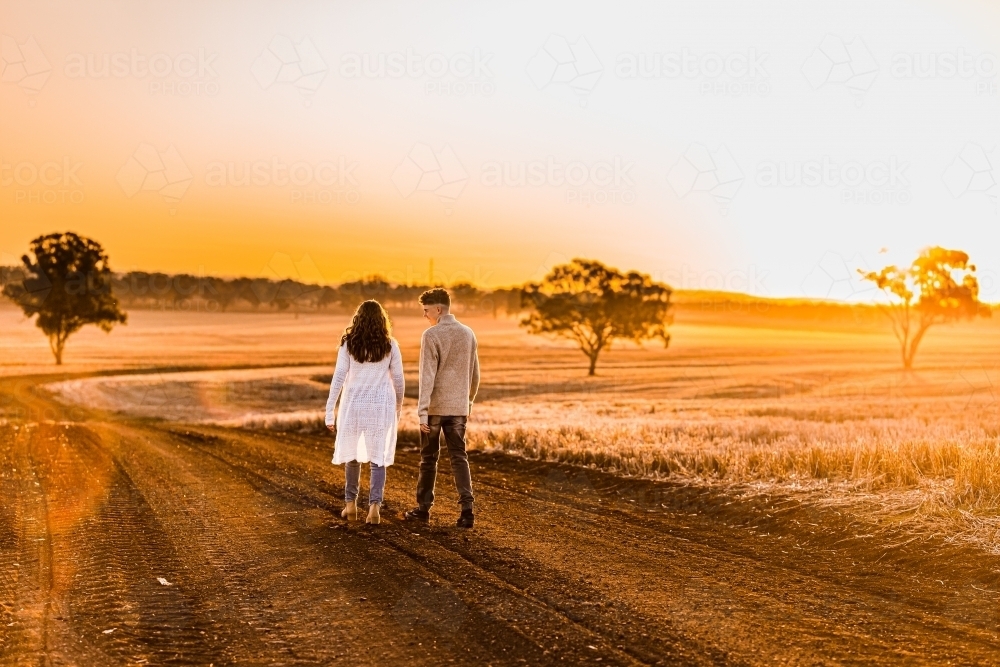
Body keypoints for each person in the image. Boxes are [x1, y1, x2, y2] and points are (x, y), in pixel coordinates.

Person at [404, 288, 480, 529]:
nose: (425, 316)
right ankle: (467, 512)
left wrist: (422, 412)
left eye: (426, 311)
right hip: (458, 408)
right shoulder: (468, 334)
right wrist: (468, 401)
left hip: (435, 409)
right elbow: (475, 374)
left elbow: (427, 377)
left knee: (429, 459)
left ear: (438, 309)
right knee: (459, 457)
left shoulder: (431, 335)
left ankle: (423, 510)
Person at [325, 300, 404, 525]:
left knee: (352, 456)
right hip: (381, 407)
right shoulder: (390, 344)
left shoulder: (348, 344)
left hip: (354, 406)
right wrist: (397, 407)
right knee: (378, 458)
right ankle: (374, 509)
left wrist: (330, 411)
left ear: (357, 319)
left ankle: (350, 505)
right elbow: (398, 380)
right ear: (382, 320)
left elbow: (338, 377)